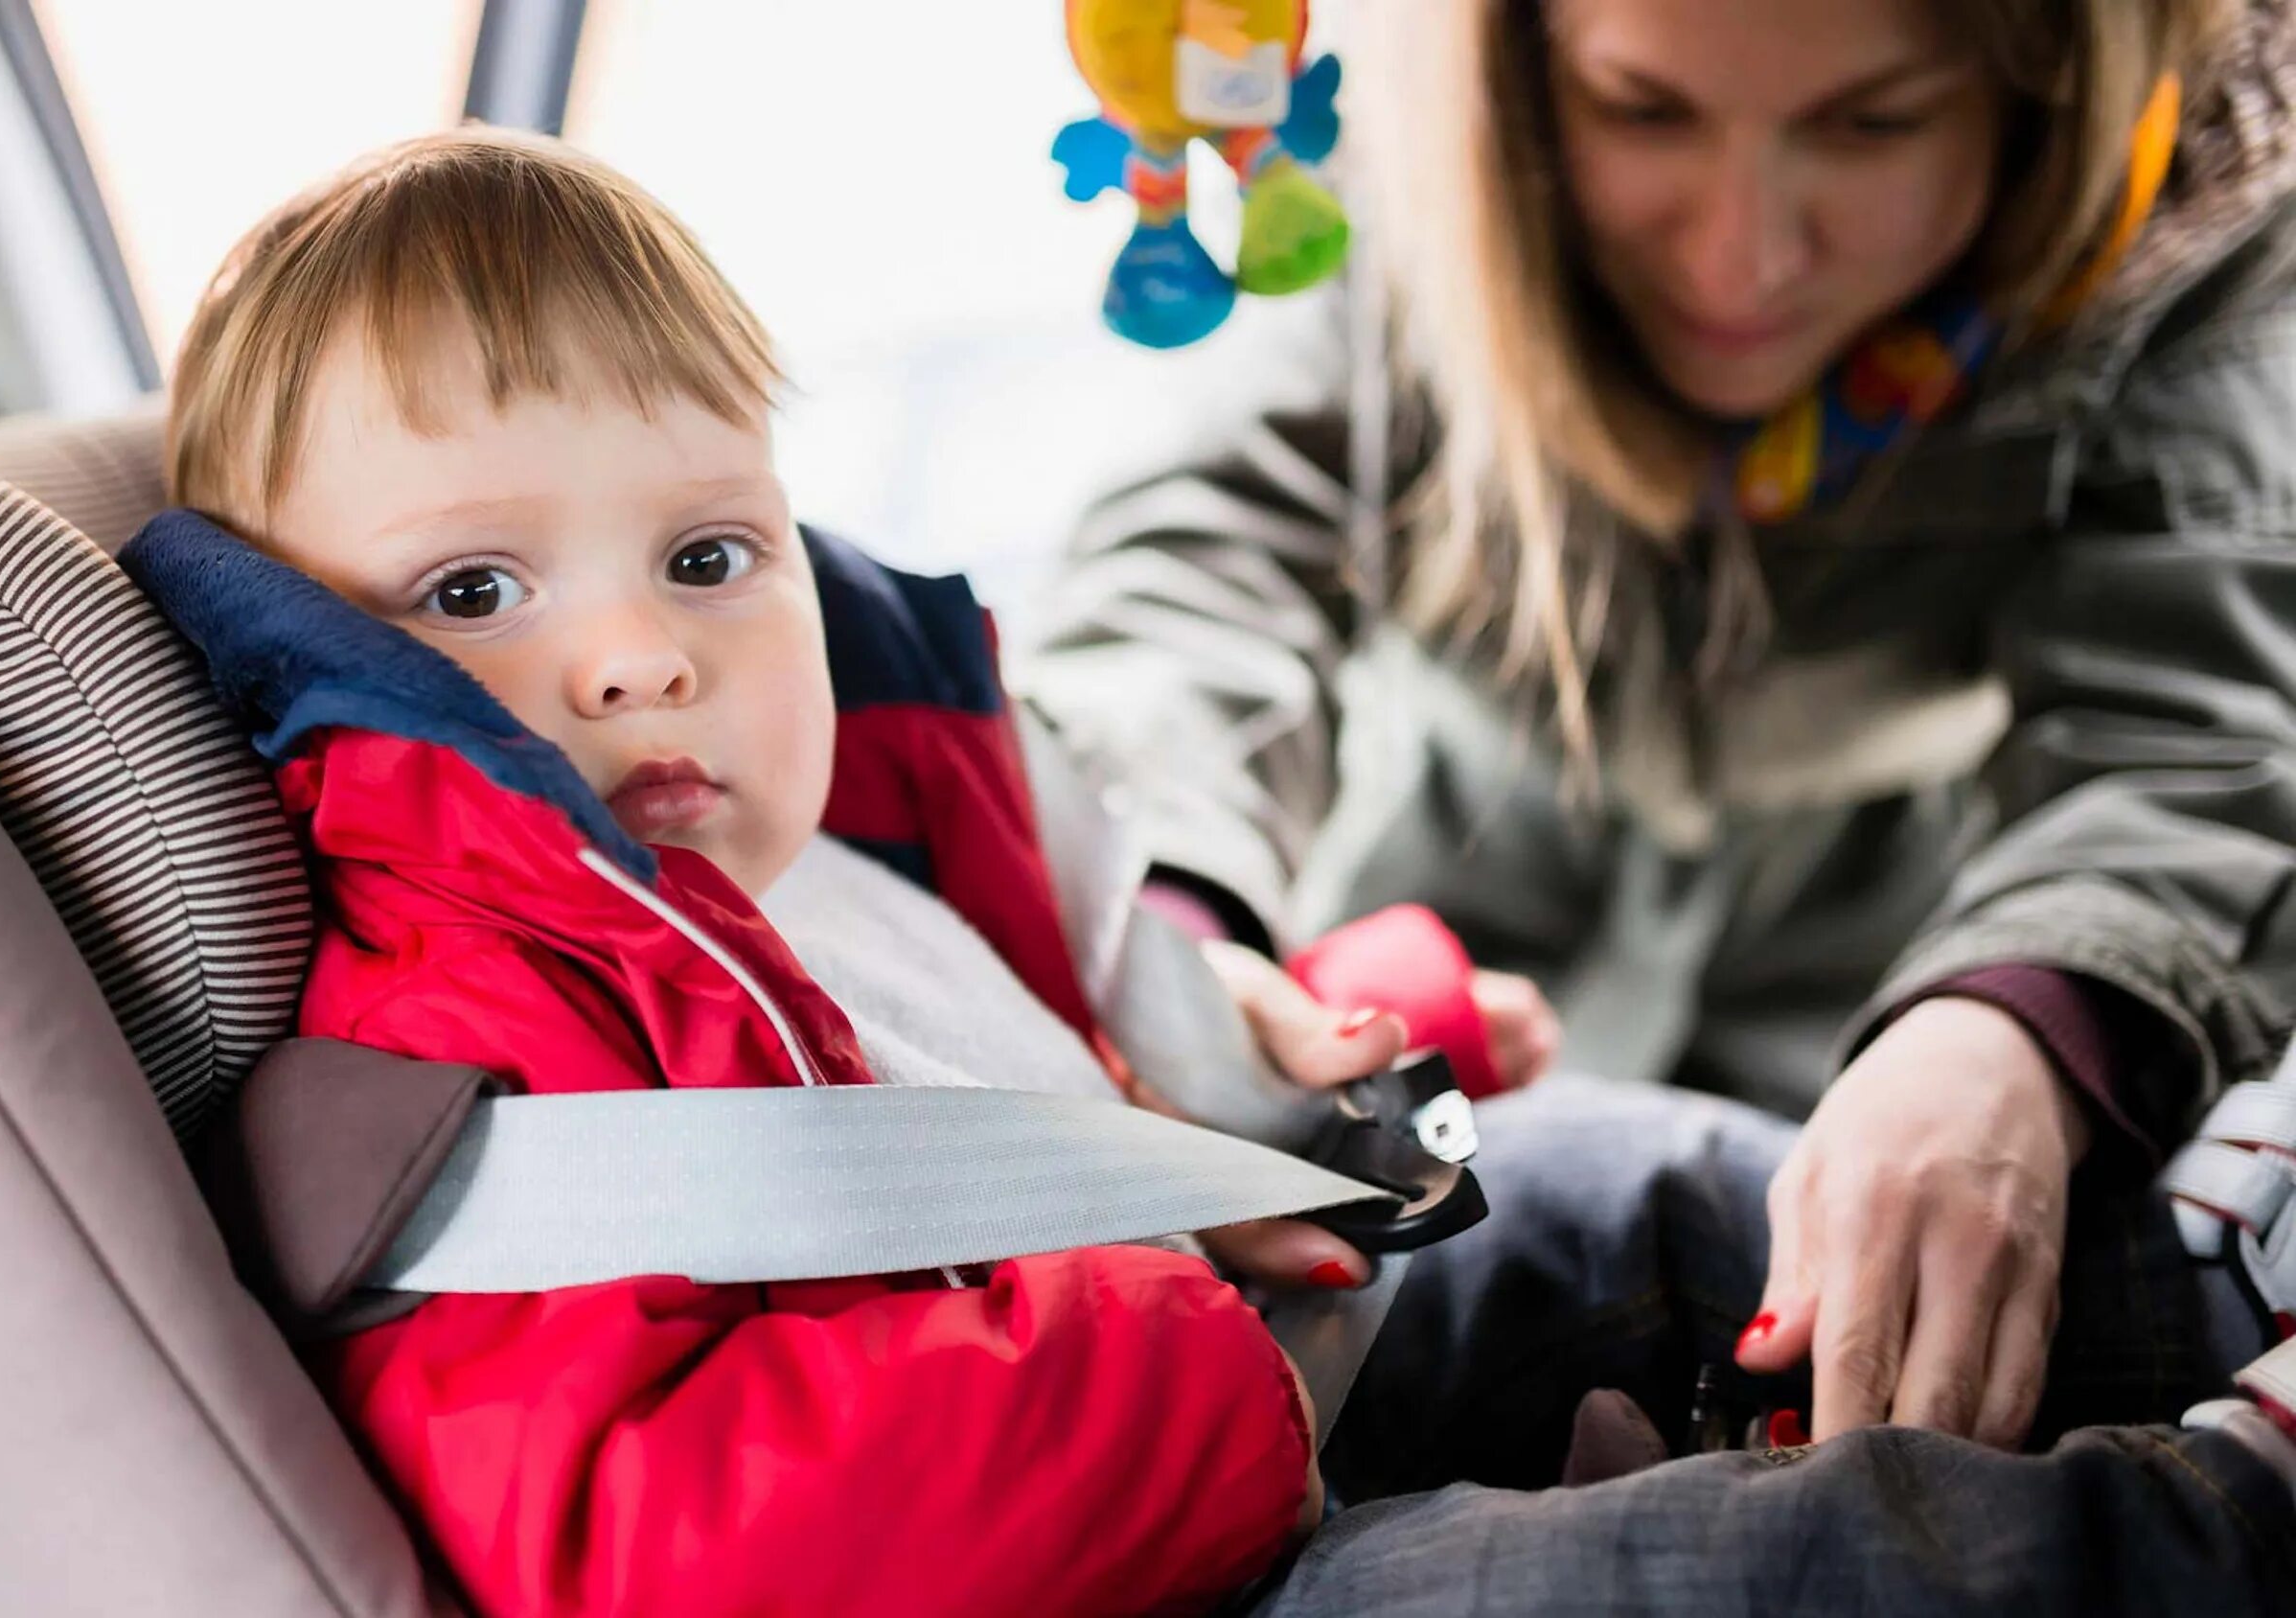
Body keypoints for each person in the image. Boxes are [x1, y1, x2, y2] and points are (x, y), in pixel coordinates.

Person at [123, 127, 2296, 1617]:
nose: (633, 649)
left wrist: (1327, 1042)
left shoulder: (830, 870)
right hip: (1134, 1552)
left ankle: (2196, 1261)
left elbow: (1046, 1085)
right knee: (1757, 1579)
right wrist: (1175, 1319)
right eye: (472, 588)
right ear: (305, 650)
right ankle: (2223, 1519)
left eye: (710, 555)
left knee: (1620, 1178)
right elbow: (660, 1548)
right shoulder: (462, 1064)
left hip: (1205, 1391)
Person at [1026, 0, 2296, 1450]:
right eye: (1642, 111)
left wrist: (2024, 1024)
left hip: (1894, 973)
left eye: (1873, 123)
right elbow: (1199, 560)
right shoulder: (1385, 159)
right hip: (1418, 909)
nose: (1740, 255)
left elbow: (2201, 734)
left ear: (2056, 86)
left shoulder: (2221, 214)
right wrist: (1169, 929)